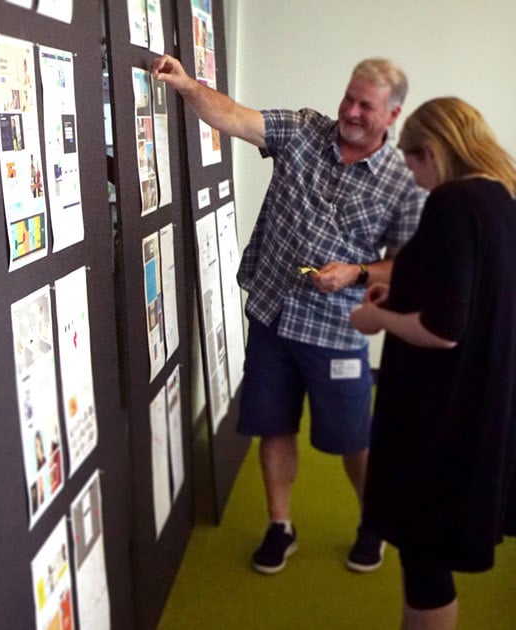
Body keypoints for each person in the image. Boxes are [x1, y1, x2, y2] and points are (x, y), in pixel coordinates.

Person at [152, 54, 426, 574]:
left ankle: (373, 523)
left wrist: (359, 273)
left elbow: (407, 267)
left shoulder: (401, 181)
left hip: (339, 327)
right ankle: (281, 526)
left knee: (354, 439)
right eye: (348, 97)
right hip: (272, 314)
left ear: (392, 116)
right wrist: (187, 85)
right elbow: (233, 116)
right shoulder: (303, 130)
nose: (349, 110)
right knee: (272, 425)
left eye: (365, 105)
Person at [349, 97, 516, 629]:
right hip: (484, 405)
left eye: (412, 161)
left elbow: (444, 331)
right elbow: (467, 295)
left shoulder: (452, 203)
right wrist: (394, 296)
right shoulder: (503, 200)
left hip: (439, 418)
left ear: (433, 152)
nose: (413, 178)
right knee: (430, 558)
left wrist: (377, 322)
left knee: (424, 562)